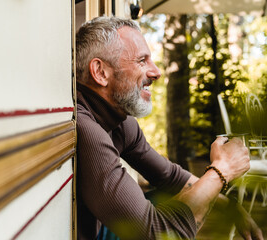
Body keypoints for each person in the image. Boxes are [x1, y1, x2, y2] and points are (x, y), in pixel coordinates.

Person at [75, 16, 263, 240]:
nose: (156, 72)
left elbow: (171, 177)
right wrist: (221, 170)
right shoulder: (85, 128)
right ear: (101, 72)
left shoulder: (119, 120)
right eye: (142, 61)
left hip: (107, 227)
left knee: (177, 196)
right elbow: (155, 234)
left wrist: (230, 207)